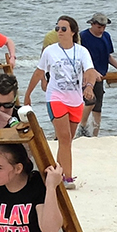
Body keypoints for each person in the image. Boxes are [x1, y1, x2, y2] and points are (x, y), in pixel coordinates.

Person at [24, 16, 98, 190]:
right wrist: (28, 94)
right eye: (57, 28)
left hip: (75, 100)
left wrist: (89, 86)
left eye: (63, 29)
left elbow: (90, 71)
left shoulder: (81, 51)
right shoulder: (50, 51)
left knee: (67, 141)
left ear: (73, 31)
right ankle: (68, 178)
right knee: (64, 138)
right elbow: (38, 72)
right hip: (56, 98)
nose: (59, 32)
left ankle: (58, 174)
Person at [77, 13, 117, 138]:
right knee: (90, 101)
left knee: (98, 106)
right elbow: (79, 59)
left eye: (104, 27)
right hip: (85, 76)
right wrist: (92, 71)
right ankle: (81, 126)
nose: (102, 30)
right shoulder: (83, 37)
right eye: (99, 27)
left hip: (101, 76)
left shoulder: (106, 36)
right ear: (92, 24)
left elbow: (108, 56)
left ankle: (95, 135)